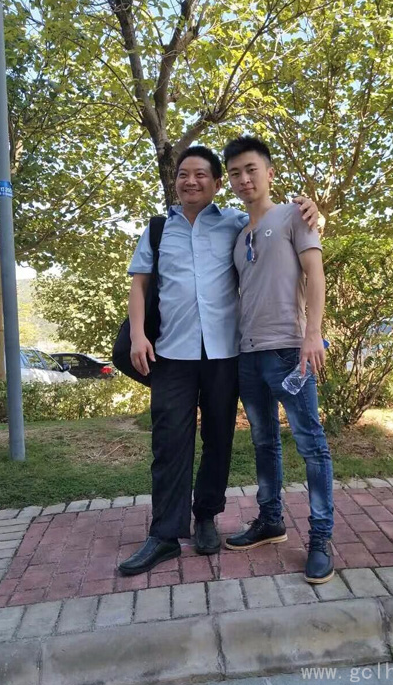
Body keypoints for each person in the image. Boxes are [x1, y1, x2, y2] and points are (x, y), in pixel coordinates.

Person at [118, 145, 319, 576]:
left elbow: (275, 222)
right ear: (175, 181)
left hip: (225, 353)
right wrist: (137, 334)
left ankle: (206, 516)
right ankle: (164, 534)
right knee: (169, 442)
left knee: (219, 440)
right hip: (171, 353)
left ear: (215, 182)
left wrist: (309, 208)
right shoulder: (157, 229)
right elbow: (139, 284)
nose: (191, 181)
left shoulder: (234, 222)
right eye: (183, 174)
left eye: (201, 175)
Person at [223, 136, 335, 585]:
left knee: (311, 444)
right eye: (235, 173)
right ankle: (271, 520)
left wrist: (313, 335)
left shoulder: (294, 215)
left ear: (269, 173)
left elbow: (315, 273)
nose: (243, 179)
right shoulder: (239, 234)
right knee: (263, 442)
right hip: (248, 355)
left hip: (290, 350)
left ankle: (321, 539)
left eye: (251, 169)